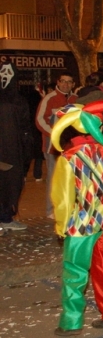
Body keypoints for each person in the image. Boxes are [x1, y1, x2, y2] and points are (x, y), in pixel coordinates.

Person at [49, 100, 103, 336]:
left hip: (81, 225)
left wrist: (61, 225)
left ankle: (71, 322)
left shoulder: (67, 159)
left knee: (75, 274)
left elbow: (64, 199)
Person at [35, 72, 76, 219]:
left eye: (69, 82)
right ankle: (51, 209)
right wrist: (54, 133)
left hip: (72, 146)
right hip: (52, 147)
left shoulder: (75, 100)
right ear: (58, 83)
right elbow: (40, 120)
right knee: (54, 178)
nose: (66, 84)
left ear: (73, 84)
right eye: (63, 81)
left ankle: (69, 206)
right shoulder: (49, 99)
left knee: (71, 178)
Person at [0, 62, 33, 232]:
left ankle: (5, 217)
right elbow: (25, 128)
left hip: (9, 150)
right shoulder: (17, 101)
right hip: (12, 151)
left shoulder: (16, 101)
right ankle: (5, 218)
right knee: (10, 185)